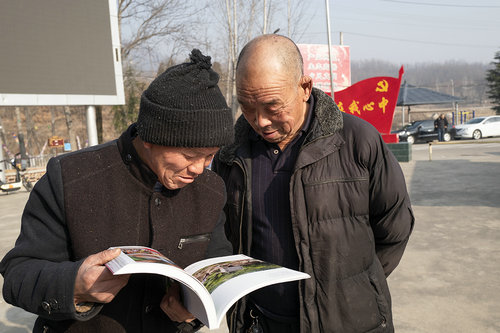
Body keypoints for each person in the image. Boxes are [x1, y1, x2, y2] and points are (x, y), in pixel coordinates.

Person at [0, 49, 234, 333]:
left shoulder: (211, 189)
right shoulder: (70, 177)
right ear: (151, 137)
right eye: (190, 154)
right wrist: (74, 284)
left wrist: (193, 310)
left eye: (210, 156)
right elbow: (18, 276)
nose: (199, 169)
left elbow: (217, 267)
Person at [211, 34, 415, 332]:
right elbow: (222, 236)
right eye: (248, 107)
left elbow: (395, 226)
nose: (261, 121)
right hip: (260, 323)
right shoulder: (231, 155)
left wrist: (355, 286)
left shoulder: (358, 141)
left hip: (350, 323)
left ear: (304, 88)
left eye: (273, 107)